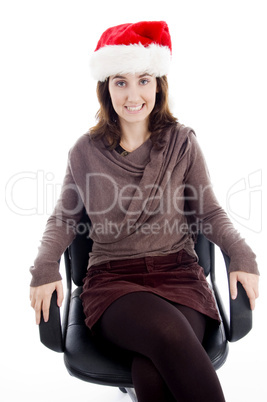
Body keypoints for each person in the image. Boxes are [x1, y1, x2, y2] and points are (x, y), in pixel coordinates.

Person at [30, 21, 259, 402]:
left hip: (179, 275)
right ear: (106, 88)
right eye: (120, 82)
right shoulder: (85, 151)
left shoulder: (181, 143)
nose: (133, 94)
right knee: (167, 336)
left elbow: (209, 211)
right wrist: (43, 266)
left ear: (158, 85)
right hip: (114, 280)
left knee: (154, 367)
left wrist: (243, 254)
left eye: (143, 80)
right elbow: (64, 218)